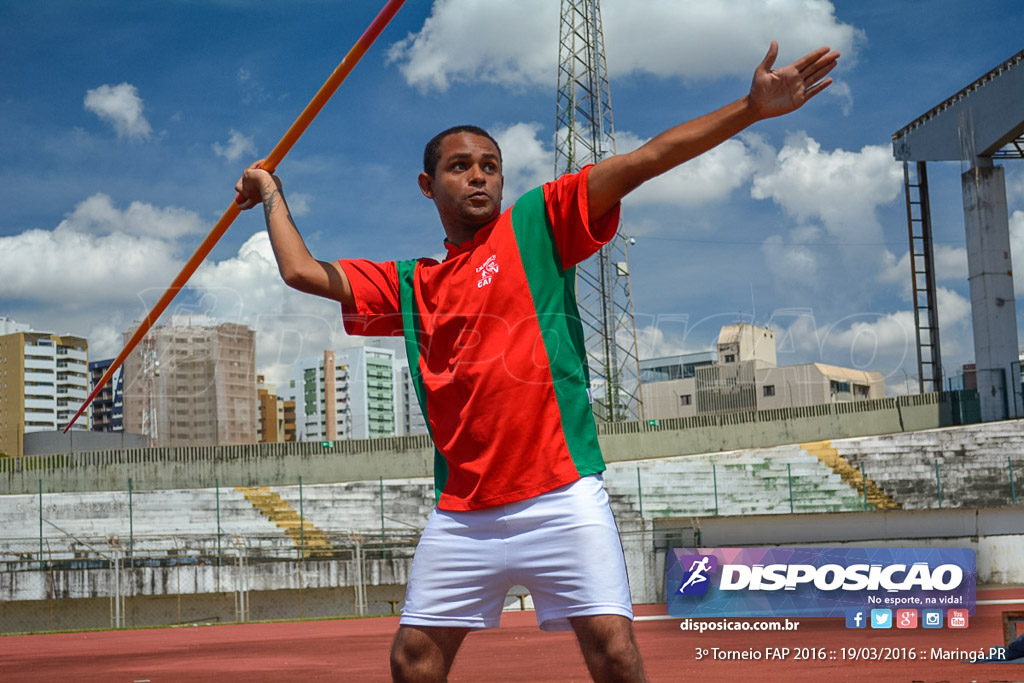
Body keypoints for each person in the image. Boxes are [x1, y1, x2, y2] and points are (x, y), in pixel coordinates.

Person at [236, 41, 839, 683]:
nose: (478, 176)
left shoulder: (536, 222)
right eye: (461, 166)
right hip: (462, 511)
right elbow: (302, 271)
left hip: (561, 494)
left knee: (612, 653)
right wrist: (271, 192)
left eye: (490, 166)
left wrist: (749, 109)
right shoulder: (409, 283)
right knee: (413, 660)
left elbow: (645, 160)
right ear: (428, 184)